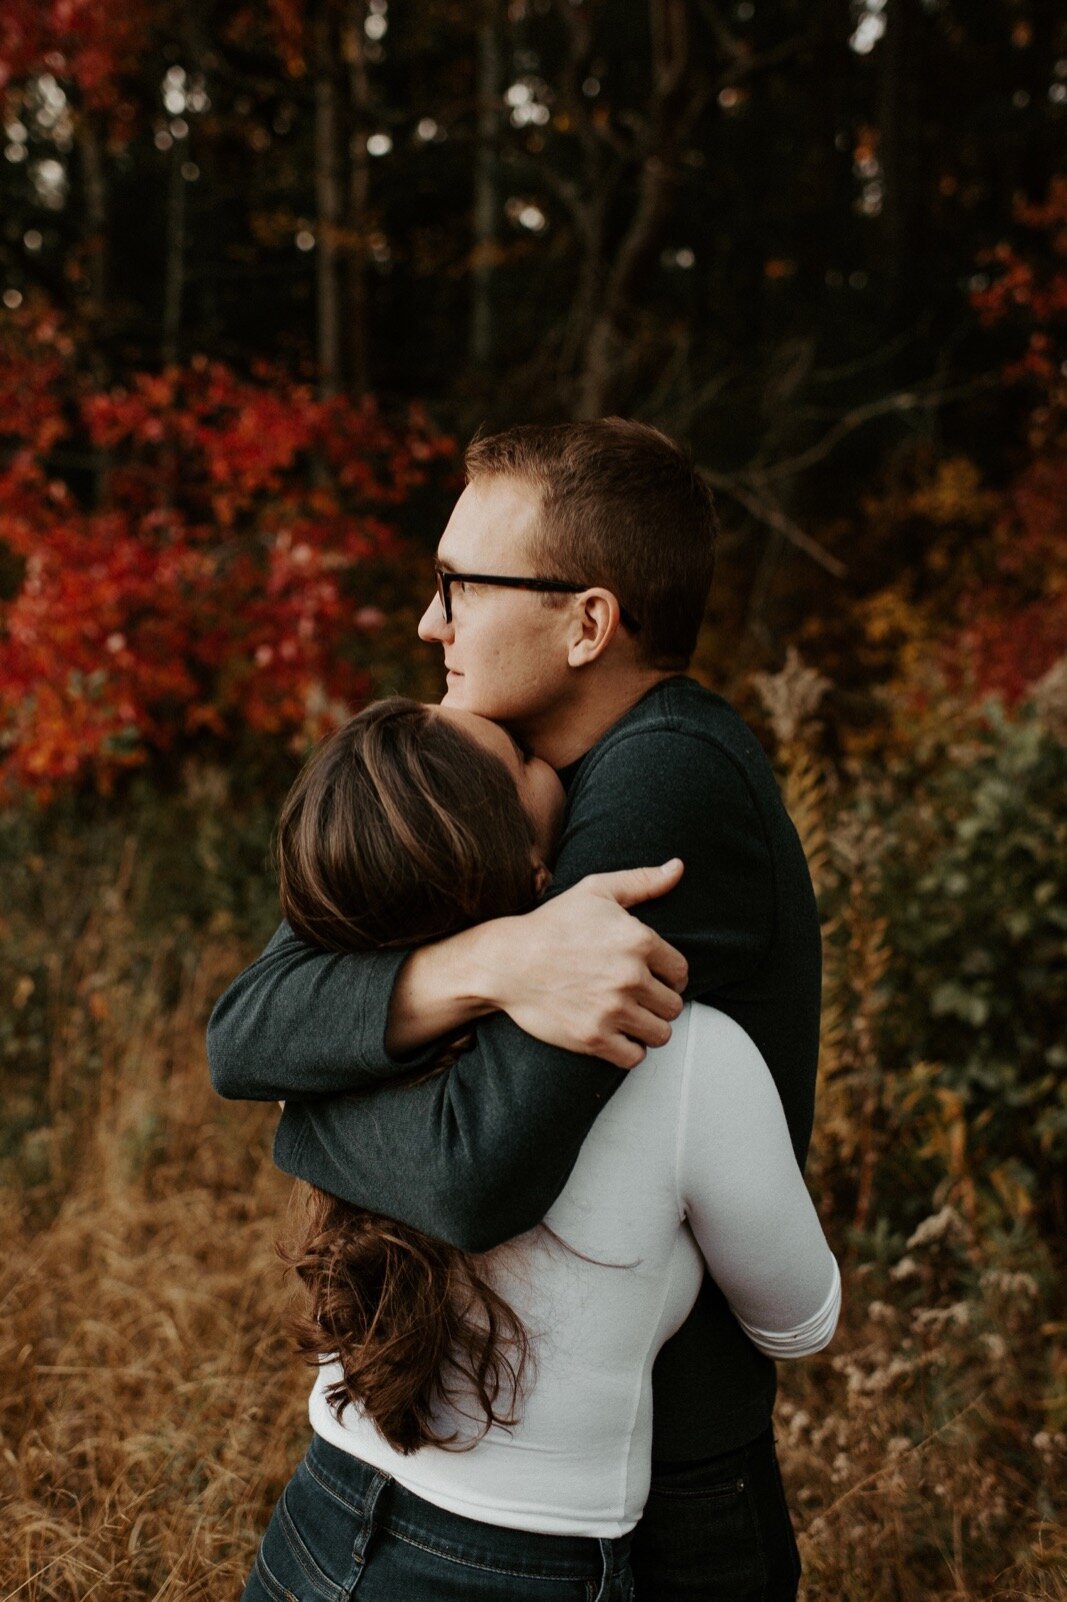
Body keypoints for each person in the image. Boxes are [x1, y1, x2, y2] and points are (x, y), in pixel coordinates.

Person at [209, 418, 826, 1599]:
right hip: (442, 1469)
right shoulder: (497, 760)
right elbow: (246, 1028)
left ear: (587, 622)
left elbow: (471, 1176)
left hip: (652, 1505)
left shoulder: (664, 780)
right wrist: (486, 960)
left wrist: (304, 1118)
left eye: (458, 584)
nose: (430, 620)